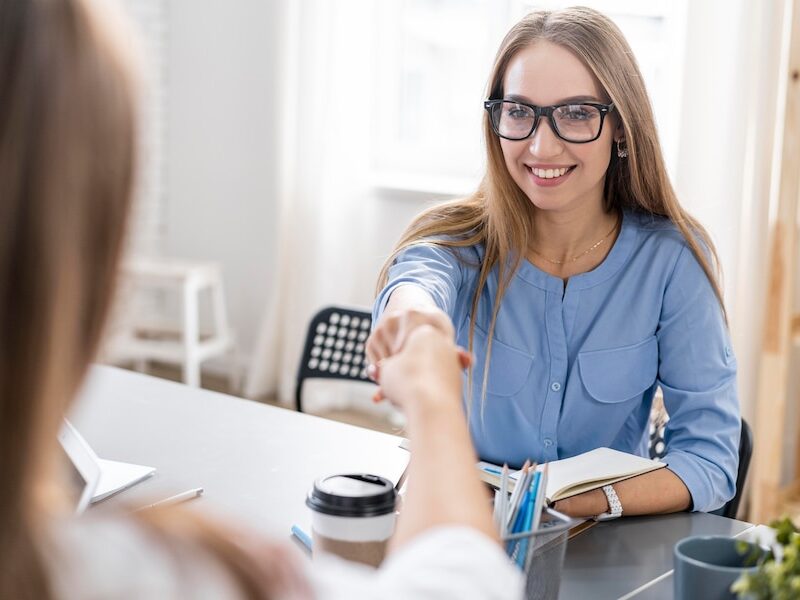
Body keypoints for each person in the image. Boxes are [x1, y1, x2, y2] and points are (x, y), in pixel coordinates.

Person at [0, 0, 522, 598]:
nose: (541, 143)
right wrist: (431, 392)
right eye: (517, 113)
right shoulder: (138, 573)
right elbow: (467, 584)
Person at [368, 7, 740, 519]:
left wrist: (574, 502)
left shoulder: (673, 259)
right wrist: (415, 320)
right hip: (466, 528)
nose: (542, 146)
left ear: (621, 126)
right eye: (519, 112)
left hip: (606, 539)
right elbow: (417, 282)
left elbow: (710, 460)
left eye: (577, 113)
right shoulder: (457, 241)